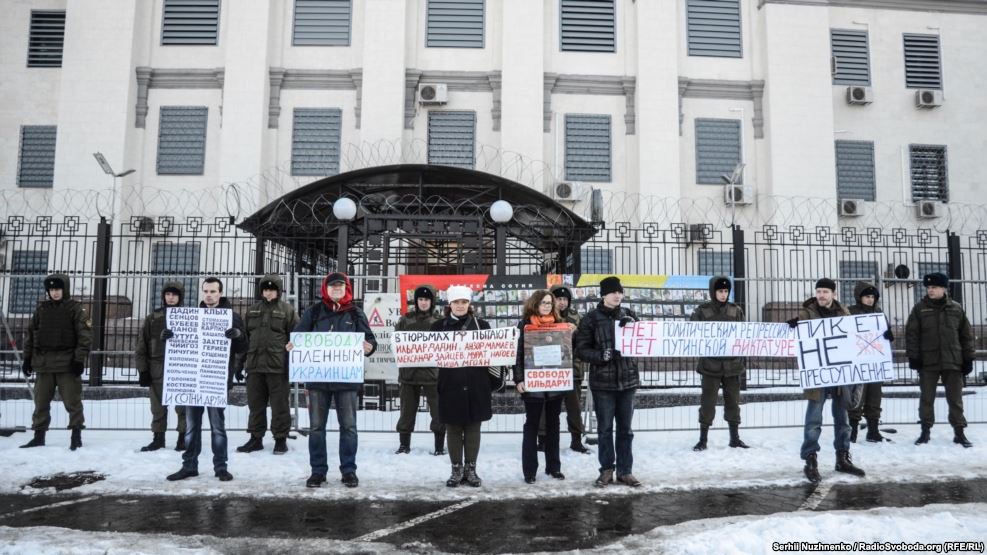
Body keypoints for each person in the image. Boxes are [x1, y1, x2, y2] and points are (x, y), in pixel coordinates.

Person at [292, 272, 377, 488]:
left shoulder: (356, 313)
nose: (336, 289)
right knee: (316, 427)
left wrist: (369, 348)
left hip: (346, 381)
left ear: (347, 289)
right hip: (318, 380)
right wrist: (294, 345)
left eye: (340, 286)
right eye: (332, 286)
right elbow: (299, 335)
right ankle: (317, 471)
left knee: (348, 427)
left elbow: (369, 340)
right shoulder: (314, 312)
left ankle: (349, 470)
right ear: (325, 289)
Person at [166, 277, 247, 482]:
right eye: (206, 291)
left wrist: (237, 336)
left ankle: (221, 467)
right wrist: (168, 336)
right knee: (192, 427)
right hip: (193, 381)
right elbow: (179, 347)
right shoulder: (191, 316)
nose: (209, 295)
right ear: (202, 293)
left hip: (215, 381)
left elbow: (243, 348)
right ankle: (189, 465)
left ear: (220, 293)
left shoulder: (231, 317)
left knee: (217, 427)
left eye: (213, 291)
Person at [789, 278, 865, 484]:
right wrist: (792, 328)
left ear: (833, 293)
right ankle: (810, 459)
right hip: (818, 373)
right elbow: (794, 340)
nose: (821, 295)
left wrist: (880, 337)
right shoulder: (806, 313)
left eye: (825, 291)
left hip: (840, 373)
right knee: (814, 419)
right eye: (819, 291)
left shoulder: (844, 313)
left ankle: (843, 457)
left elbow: (855, 338)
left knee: (843, 419)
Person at [573, 276, 642, 488]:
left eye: (620, 292)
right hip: (603, 384)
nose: (617, 295)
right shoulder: (590, 319)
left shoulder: (630, 315)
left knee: (626, 430)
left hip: (627, 381)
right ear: (604, 294)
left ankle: (625, 471)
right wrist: (601, 355)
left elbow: (643, 341)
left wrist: (633, 328)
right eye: (613, 292)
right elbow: (581, 350)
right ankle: (606, 470)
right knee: (604, 429)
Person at [20, 273, 92, 450]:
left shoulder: (76, 309)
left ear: (64, 289)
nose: (55, 293)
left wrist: (79, 360)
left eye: (58, 289)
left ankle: (76, 435)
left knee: (72, 403)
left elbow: (84, 337)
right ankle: (39, 435)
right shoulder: (42, 310)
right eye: (51, 289)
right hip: (44, 364)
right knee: (41, 403)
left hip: (67, 365)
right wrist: (27, 359)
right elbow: (31, 335)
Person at [433, 285, 496, 488]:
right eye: (456, 302)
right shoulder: (438, 327)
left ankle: (471, 468)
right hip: (450, 384)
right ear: (449, 303)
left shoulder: (482, 326)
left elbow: (493, 354)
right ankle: (456, 469)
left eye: (464, 302)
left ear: (469, 304)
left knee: (473, 427)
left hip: (477, 383)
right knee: (452, 427)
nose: (460, 306)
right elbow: (429, 355)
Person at [906, 272, 975, 448]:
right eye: (928, 287)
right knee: (926, 399)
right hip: (928, 362)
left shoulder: (956, 308)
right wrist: (913, 356)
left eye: (934, 287)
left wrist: (968, 359)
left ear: (944, 288)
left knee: (955, 399)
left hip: (953, 361)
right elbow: (911, 334)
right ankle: (925, 431)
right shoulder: (919, 308)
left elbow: (966, 336)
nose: (930, 290)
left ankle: (959, 432)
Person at [513, 290, 573, 484]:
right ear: (535, 304)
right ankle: (529, 470)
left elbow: (567, 352)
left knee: (553, 424)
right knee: (532, 425)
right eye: (543, 302)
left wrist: (572, 333)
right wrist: (519, 379)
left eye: (549, 303)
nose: (547, 306)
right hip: (533, 382)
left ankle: (554, 467)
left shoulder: (559, 324)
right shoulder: (525, 325)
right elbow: (518, 354)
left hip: (555, 382)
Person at [236, 274, 299, 455]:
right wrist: (239, 364)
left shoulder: (287, 311)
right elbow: (245, 339)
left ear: (278, 291)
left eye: (271, 289)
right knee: (255, 405)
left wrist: (292, 364)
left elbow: (297, 338)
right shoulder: (252, 311)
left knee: (280, 405)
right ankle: (255, 438)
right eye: (265, 289)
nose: (268, 293)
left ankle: (280, 439)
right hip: (254, 366)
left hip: (278, 367)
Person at [690, 276, 748, 451]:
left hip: (732, 366)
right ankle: (703, 439)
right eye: (720, 291)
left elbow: (744, 334)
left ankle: (734, 438)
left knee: (733, 403)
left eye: (725, 291)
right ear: (712, 292)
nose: (723, 294)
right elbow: (692, 333)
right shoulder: (702, 311)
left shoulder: (735, 310)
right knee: (707, 404)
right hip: (710, 366)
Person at [135, 281, 188, 452]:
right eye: (168, 294)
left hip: (181, 367)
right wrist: (143, 370)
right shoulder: (153, 318)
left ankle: (182, 437)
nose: (170, 298)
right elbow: (141, 345)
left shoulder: (188, 316)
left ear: (180, 297)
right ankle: (158, 437)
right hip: (157, 366)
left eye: (174, 295)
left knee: (182, 406)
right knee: (157, 407)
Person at [394, 285, 445, 456]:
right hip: (409, 375)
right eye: (420, 299)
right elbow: (397, 344)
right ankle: (404, 444)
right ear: (416, 301)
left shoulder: (439, 321)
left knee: (438, 411)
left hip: (433, 375)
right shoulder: (405, 320)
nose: (423, 302)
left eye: (427, 299)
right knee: (406, 411)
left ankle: (439, 445)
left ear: (432, 301)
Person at [847, 281, 892, 443]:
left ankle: (873, 430)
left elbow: (885, 331)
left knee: (875, 396)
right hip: (858, 362)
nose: (870, 300)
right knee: (857, 397)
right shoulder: (850, 313)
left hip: (875, 362)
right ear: (860, 297)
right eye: (867, 296)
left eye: (872, 297)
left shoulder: (879, 313)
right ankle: (851, 432)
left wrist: (888, 335)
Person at [549, 285, 591, 454]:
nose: (562, 302)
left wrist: (575, 334)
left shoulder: (575, 316)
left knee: (574, 406)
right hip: (549, 370)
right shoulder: (546, 315)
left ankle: (576, 439)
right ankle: (544, 440)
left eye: (565, 299)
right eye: (558, 299)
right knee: (549, 407)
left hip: (572, 369)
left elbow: (584, 340)